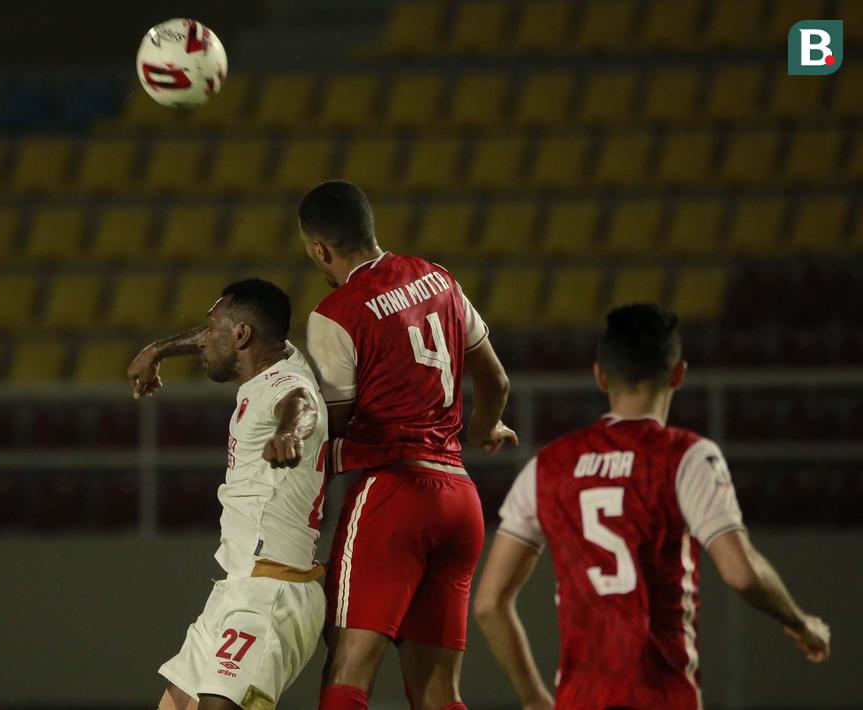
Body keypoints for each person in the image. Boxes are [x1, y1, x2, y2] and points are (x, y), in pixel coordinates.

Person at [473, 304, 831, 710]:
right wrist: (798, 622)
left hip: (580, 700)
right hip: (662, 697)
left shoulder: (546, 467)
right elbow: (742, 573)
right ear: (678, 374)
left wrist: (534, 699)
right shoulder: (686, 457)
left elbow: (489, 605)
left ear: (600, 375)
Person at [296, 180, 517, 710]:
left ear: (319, 249)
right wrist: (485, 427)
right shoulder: (439, 278)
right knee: (439, 693)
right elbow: (497, 382)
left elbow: (334, 426)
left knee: (347, 669)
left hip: (393, 495)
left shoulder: (336, 313)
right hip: (459, 501)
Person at [127, 278, 329, 710]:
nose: (203, 340)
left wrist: (291, 433)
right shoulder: (279, 357)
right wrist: (157, 350)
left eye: (210, 328)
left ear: (241, 335)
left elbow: (303, 403)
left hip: (272, 593)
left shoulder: (286, 383)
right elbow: (216, 338)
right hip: (235, 588)